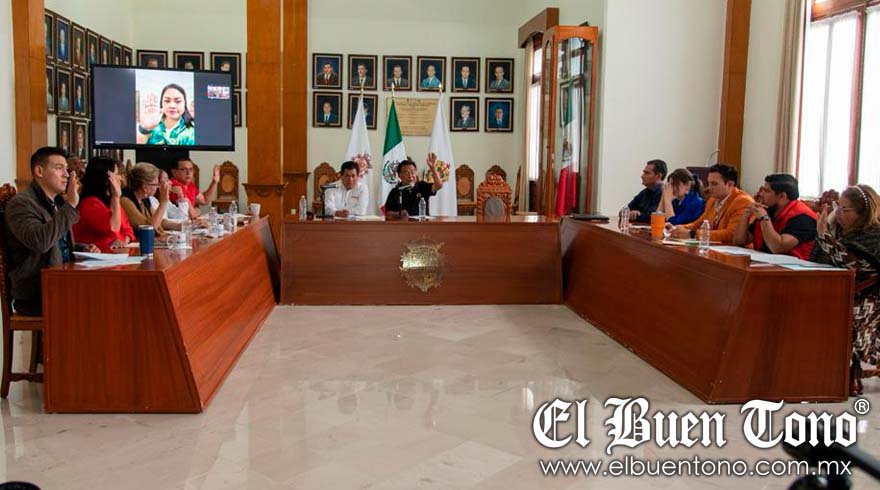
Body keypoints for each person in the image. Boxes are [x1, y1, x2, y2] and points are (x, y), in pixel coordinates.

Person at [4, 147, 99, 316]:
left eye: (66, 169)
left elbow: (56, 241)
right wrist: (71, 205)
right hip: (38, 293)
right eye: (59, 168)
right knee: (101, 303)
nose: (66, 174)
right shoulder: (22, 203)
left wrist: (82, 248)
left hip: (62, 283)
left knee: (109, 292)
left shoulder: (55, 202)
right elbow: (40, 242)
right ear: (39, 171)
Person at [810, 185, 880, 395]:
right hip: (847, 292)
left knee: (840, 312)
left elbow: (855, 265)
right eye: (837, 207)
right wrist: (827, 231)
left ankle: (849, 373)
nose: (838, 213)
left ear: (862, 214)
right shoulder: (845, 234)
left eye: (844, 209)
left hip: (869, 298)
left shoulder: (874, 236)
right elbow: (816, 260)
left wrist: (824, 236)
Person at [732, 174, 817, 258]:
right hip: (764, 263)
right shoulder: (769, 210)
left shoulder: (803, 218)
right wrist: (746, 216)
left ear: (782, 196)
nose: (761, 194)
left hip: (793, 266)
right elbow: (738, 241)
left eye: (767, 191)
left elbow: (778, 248)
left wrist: (764, 218)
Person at [669, 164, 754, 244]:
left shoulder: (743, 202)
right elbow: (699, 223)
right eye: (709, 183)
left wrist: (692, 234)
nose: (709, 188)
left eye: (714, 184)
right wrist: (677, 228)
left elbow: (731, 234)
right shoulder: (712, 200)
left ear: (730, 184)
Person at [73, 157, 135, 252]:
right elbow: (113, 227)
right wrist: (116, 196)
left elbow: (128, 230)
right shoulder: (89, 204)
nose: (120, 178)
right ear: (107, 178)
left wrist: (123, 241)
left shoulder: (111, 202)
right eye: (117, 174)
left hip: (115, 254)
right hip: (94, 258)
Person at [121, 162, 180, 235]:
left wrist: (180, 226)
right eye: (156, 184)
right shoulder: (125, 201)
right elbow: (149, 228)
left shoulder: (144, 198)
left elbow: (159, 221)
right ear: (145, 187)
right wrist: (163, 202)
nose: (157, 187)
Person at [384, 153, 444, 218]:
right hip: (403, 223)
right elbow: (387, 212)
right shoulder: (395, 191)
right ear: (400, 175)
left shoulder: (422, 186)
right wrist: (399, 214)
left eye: (413, 172)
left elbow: (439, 185)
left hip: (422, 222)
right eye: (406, 173)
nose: (410, 176)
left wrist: (433, 168)